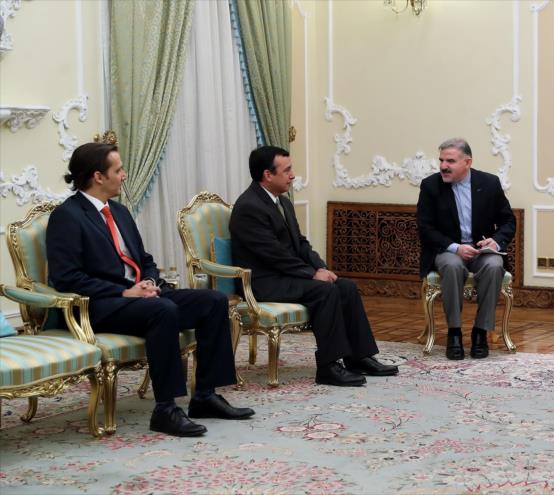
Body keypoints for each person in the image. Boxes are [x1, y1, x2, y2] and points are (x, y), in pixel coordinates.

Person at [47, 142, 254, 438]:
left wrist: (150, 283)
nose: (125, 175)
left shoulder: (118, 211)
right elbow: (67, 278)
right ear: (98, 176)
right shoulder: (67, 216)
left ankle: (205, 396)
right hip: (101, 305)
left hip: (140, 296)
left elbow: (144, 260)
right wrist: (125, 293)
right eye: (118, 170)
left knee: (213, 301)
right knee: (163, 310)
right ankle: (165, 410)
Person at [228, 146, 398, 387]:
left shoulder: (283, 202)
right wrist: (311, 274)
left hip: (286, 275)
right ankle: (328, 366)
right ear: (268, 174)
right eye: (287, 170)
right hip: (263, 282)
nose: (293, 175)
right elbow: (274, 255)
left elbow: (301, 244)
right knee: (325, 291)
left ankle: (358, 358)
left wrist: (321, 267)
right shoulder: (249, 207)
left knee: (345, 286)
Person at [416, 138, 516, 360]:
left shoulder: (489, 183)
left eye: (450, 161)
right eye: (441, 160)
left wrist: (495, 242)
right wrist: (455, 247)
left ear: (467, 162)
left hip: (481, 250)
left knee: (494, 265)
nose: (443, 166)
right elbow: (425, 228)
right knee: (451, 266)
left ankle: (481, 332)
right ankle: (454, 333)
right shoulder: (431, 185)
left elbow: (509, 221)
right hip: (448, 250)